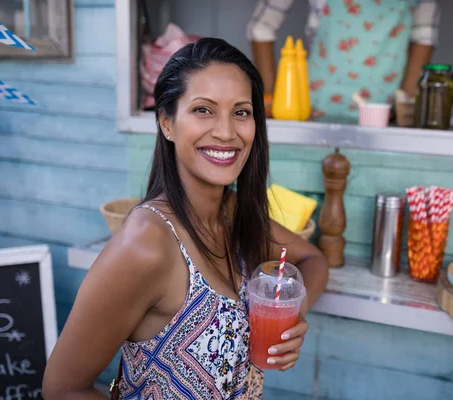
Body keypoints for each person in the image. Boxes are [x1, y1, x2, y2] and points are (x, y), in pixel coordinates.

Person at [42, 38, 330, 399]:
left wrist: (291, 317)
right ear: (166, 123)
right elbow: (62, 390)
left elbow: (313, 259)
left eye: (241, 112)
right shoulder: (147, 244)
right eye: (203, 110)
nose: (226, 132)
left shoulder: (231, 213)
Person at [247, 0, 441, 123]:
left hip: (385, 119)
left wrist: (406, 103)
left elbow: (424, 36)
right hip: (312, 113)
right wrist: (272, 95)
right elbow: (261, 27)